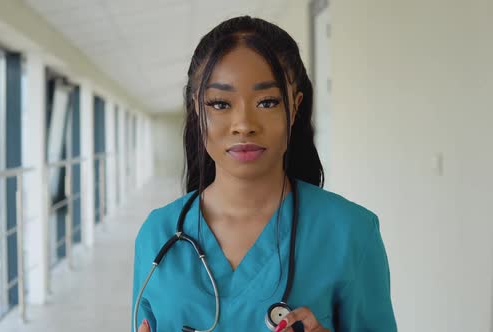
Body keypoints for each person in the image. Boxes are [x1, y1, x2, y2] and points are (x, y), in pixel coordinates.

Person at [131, 16, 397, 332]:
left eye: (267, 102)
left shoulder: (351, 232)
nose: (244, 123)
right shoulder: (157, 234)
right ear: (196, 109)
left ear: (295, 108)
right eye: (219, 104)